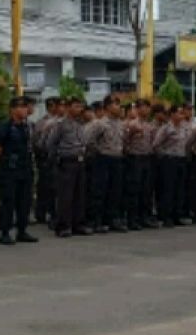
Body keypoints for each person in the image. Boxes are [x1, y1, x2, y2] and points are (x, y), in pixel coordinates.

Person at [0, 96, 38, 245]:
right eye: (20, 106)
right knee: (8, 202)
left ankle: (22, 230)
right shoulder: (5, 127)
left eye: (26, 107)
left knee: (24, 201)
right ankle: (5, 232)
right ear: (12, 109)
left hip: (24, 169)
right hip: (10, 171)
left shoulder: (26, 127)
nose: (24, 109)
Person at [45, 98, 90, 237]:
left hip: (80, 161)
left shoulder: (81, 123)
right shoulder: (60, 124)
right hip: (66, 162)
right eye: (76, 106)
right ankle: (63, 226)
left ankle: (78, 224)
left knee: (79, 195)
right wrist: (55, 159)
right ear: (68, 107)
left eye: (80, 106)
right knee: (66, 196)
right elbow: (50, 143)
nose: (79, 109)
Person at [86, 97, 127, 233]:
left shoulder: (120, 124)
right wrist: (99, 151)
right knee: (100, 190)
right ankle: (97, 220)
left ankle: (112, 219)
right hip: (103, 159)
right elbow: (89, 140)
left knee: (115, 191)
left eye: (119, 104)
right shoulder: (100, 124)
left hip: (117, 158)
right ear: (108, 107)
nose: (119, 107)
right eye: (116, 104)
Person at [124, 101, 158, 230]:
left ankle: (144, 217)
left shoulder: (149, 126)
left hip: (147, 158)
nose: (147, 110)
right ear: (137, 109)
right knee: (134, 189)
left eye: (148, 107)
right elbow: (124, 141)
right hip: (135, 158)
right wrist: (132, 133)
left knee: (146, 189)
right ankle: (132, 219)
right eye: (144, 108)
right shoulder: (132, 124)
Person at [32, 96, 62, 229]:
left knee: (52, 187)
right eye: (59, 105)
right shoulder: (43, 122)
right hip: (46, 158)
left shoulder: (60, 121)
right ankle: (43, 213)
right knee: (46, 187)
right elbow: (37, 141)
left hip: (54, 158)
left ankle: (49, 213)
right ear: (52, 107)